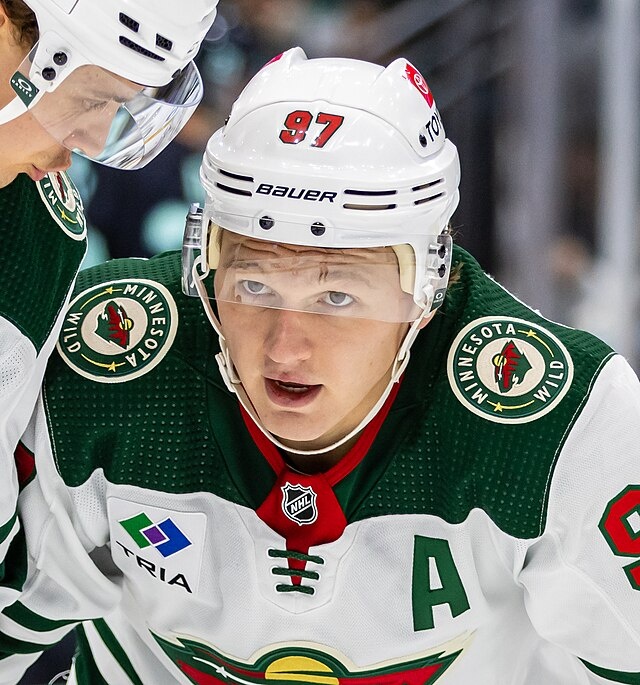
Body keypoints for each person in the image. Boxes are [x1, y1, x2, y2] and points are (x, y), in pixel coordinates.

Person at [2, 46, 640, 684]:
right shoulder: (103, 359)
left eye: (337, 297)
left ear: (428, 288)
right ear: (205, 265)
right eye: (253, 286)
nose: (285, 349)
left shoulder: (564, 422)